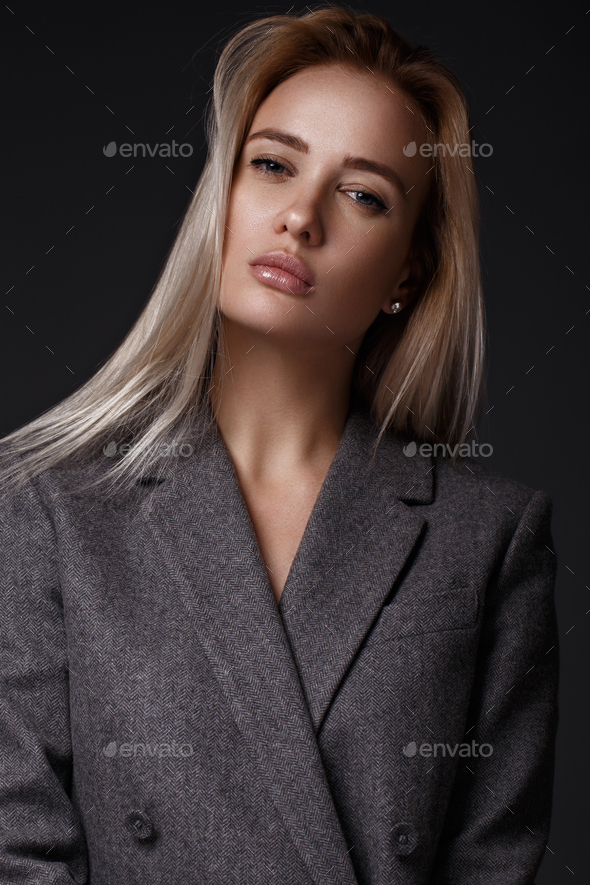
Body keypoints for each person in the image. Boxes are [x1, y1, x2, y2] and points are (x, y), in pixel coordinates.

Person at [0, 5, 558, 884]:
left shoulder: (490, 536)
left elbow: (492, 862)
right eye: (271, 165)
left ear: (407, 274)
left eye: (363, 193)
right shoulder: (50, 506)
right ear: (221, 190)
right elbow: (17, 850)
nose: (301, 217)